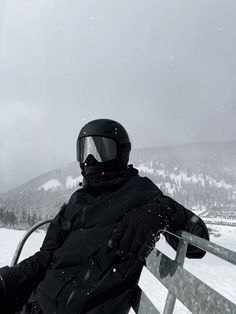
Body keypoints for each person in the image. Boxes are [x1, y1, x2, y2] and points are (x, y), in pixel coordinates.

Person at [0, 119, 209, 314]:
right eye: (86, 151)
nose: (91, 159)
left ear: (121, 153)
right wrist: (6, 281)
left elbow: (198, 245)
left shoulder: (140, 192)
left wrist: (163, 209)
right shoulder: (78, 200)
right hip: (37, 304)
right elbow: (45, 257)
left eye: (101, 150)